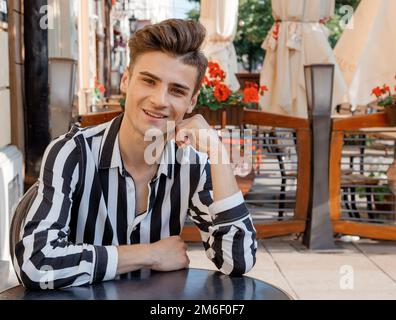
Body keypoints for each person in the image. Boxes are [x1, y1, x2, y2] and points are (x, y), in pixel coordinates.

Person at [14, 19, 257, 290]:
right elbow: (36, 264)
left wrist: (217, 152)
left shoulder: (190, 165)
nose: (160, 100)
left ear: (192, 102)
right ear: (126, 80)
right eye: (149, 81)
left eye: (176, 91)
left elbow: (239, 261)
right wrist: (149, 254)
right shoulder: (72, 153)